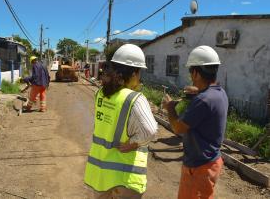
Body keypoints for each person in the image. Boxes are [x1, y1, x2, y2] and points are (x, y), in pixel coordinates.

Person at [84, 44, 158, 199]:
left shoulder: (101, 93)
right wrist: (134, 143)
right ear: (134, 73)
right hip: (125, 177)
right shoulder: (134, 98)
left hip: (101, 173)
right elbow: (150, 131)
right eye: (139, 73)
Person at [162, 45, 228, 199]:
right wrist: (197, 92)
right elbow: (207, 101)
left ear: (197, 73)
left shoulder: (203, 100)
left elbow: (178, 128)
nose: (191, 77)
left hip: (199, 167)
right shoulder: (219, 92)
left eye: (191, 72)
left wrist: (170, 108)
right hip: (211, 161)